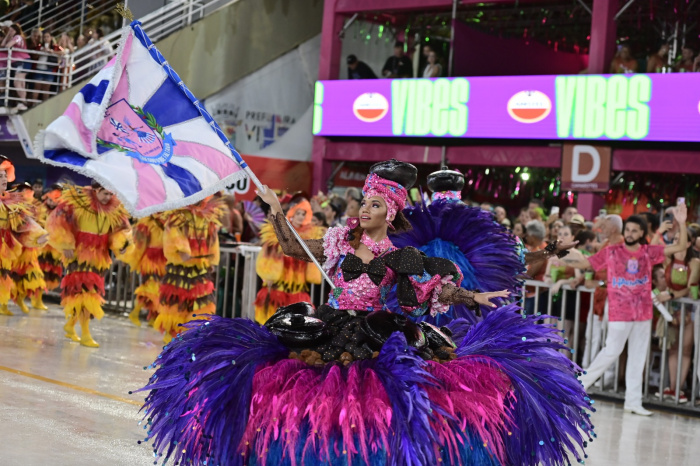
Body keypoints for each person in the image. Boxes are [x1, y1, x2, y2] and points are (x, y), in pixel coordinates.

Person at [138, 160, 593, 466]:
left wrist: (473, 299)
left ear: (390, 213)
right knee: (293, 386)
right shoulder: (339, 241)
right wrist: (275, 212)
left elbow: (433, 289)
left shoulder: (400, 256)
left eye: (374, 204)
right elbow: (295, 247)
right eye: (364, 202)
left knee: (364, 401)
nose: (364, 209)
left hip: (371, 332)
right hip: (330, 323)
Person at [565, 206, 689, 415]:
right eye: (628, 230)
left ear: (641, 233)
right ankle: (578, 387)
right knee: (611, 351)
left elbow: (681, 246)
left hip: (643, 314)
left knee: (638, 357)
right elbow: (586, 263)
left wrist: (682, 223)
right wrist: (559, 254)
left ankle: (633, 402)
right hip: (619, 313)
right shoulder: (612, 251)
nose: (630, 234)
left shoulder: (648, 252)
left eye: (634, 231)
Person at [47, 182, 132, 347]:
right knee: (86, 294)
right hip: (79, 254)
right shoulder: (77, 203)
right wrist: (65, 243)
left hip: (98, 256)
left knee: (87, 293)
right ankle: (85, 334)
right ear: (95, 190)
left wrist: (121, 245)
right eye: (105, 193)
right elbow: (57, 221)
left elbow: (121, 230)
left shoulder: (114, 209)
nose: (108, 197)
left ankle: (70, 325)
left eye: (110, 194)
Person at [153, 195, 225, 343]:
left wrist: (211, 259)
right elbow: (172, 232)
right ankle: (173, 340)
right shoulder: (178, 215)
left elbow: (212, 238)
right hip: (180, 270)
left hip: (200, 270)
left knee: (201, 306)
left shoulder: (207, 217)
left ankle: (192, 340)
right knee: (177, 306)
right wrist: (181, 249)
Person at [254, 197, 323, 323]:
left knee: (296, 323)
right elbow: (269, 254)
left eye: (303, 214)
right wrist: (268, 275)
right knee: (273, 320)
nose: (301, 217)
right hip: (278, 285)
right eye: (298, 213)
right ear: (292, 214)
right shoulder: (278, 233)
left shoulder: (309, 236)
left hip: (297, 285)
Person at [0, 156, 47, 316]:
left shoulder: (11, 203)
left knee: (5, 277)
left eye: (5, 176)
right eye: (0, 176)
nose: (3, 179)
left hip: (5, 247)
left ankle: (6, 304)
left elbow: (24, 223)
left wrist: (38, 235)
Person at [123, 213, 167, 328]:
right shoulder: (146, 222)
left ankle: (153, 317)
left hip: (163, 259)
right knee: (150, 288)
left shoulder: (167, 222)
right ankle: (135, 312)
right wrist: (133, 257)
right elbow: (139, 244)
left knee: (159, 289)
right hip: (150, 259)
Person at [10, 181, 45, 313]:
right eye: (22, 190)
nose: (25, 193)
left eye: (28, 190)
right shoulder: (10, 206)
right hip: (15, 246)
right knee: (12, 275)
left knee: (33, 275)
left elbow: (40, 223)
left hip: (30, 247)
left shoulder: (36, 206)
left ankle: (26, 300)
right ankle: (4, 304)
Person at [36, 183, 63, 309]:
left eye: (56, 200)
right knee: (37, 272)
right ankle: (35, 298)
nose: (52, 203)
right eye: (50, 200)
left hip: (54, 247)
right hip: (41, 246)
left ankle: (38, 299)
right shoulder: (40, 209)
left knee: (48, 274)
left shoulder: (61, 212)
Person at [1, 22, 31, 109]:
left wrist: (9, 36)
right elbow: (2, 45)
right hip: (19, 62)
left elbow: (7, 46)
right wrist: (8, 36)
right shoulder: (14, 37)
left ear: (16, 30)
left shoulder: (18, 37)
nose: (10, 31)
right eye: (9, 30)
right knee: (21, 83)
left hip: (22, 61)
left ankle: (23, 102)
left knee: (17, 83)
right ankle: (23, 102)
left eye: (12, 30)